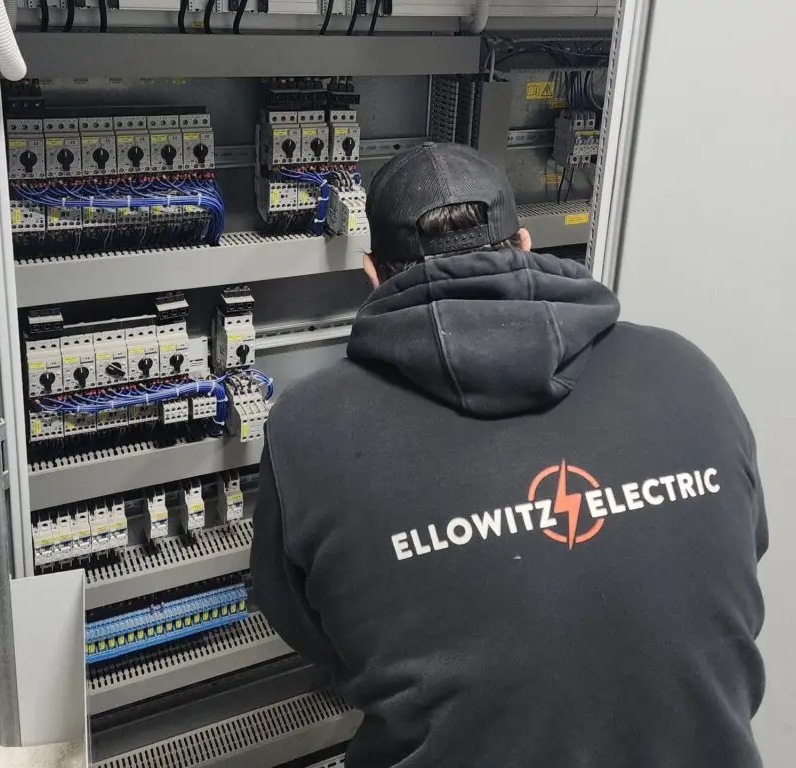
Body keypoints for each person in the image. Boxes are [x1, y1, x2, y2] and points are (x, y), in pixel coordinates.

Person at [251, 142, 767, 768]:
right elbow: (743, 553)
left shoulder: (308, 428)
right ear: (523, 243)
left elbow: (312, 629)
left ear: (372, 274)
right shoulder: (684, 369)